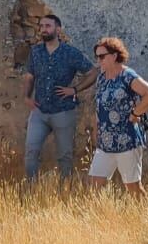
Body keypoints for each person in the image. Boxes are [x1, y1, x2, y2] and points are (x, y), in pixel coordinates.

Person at [19, 14, 96, 181]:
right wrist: (26, 96)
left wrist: (75, 89)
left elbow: (92, 72)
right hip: (39, 111)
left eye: (48, 26)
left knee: (65, 156)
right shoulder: (36, 51)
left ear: (58, 29)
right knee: (31, 152)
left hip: (63, 111)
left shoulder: (71, 53)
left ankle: (64, 190)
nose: (43, 29)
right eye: (41, 26)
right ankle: (31, 190)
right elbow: (29, 76)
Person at [86, 37, 148, 196]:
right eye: (97, 57)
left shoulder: (127, 76)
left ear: (114, 55)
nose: (99, 60)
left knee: (133, 187)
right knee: (94, 184)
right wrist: (96, 130)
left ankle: (143, 217)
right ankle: (100, 219)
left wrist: (135, 113)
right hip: (105, 143)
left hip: (127, 141)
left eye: (102, 56)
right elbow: (100, 107)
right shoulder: (101, 79)